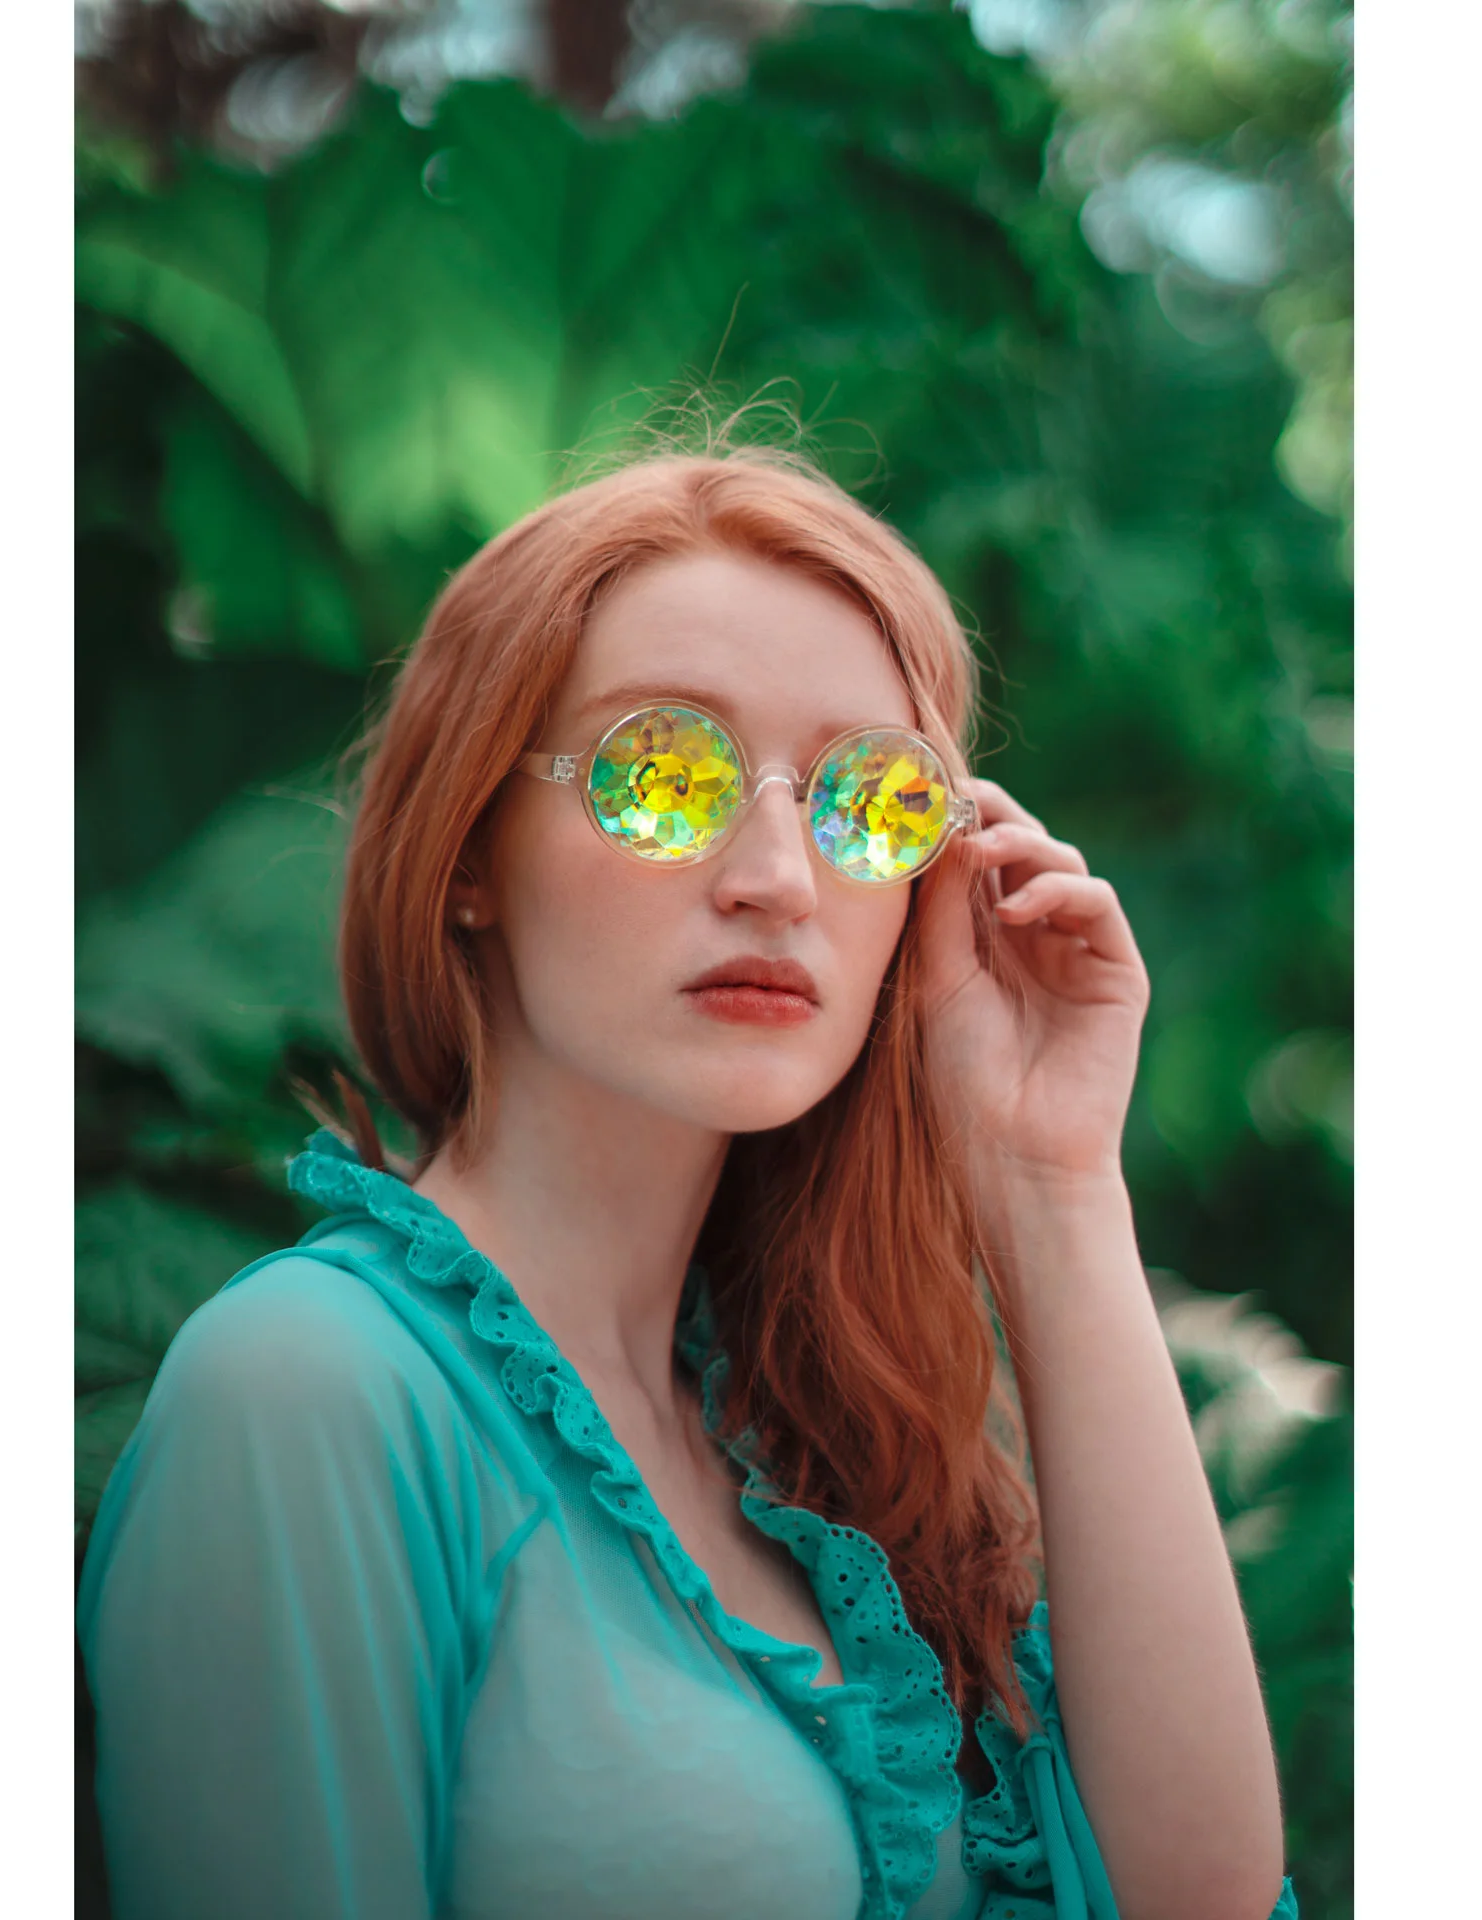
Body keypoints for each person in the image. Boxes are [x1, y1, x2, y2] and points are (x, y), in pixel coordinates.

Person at [77, 442, 1298, 1920]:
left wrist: (1054, 1180)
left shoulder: (826, 1451)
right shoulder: (309, 1388)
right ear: (469, 852)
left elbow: (1198, 1899)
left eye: (867, 801)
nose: (778, 875)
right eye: (665, 776)